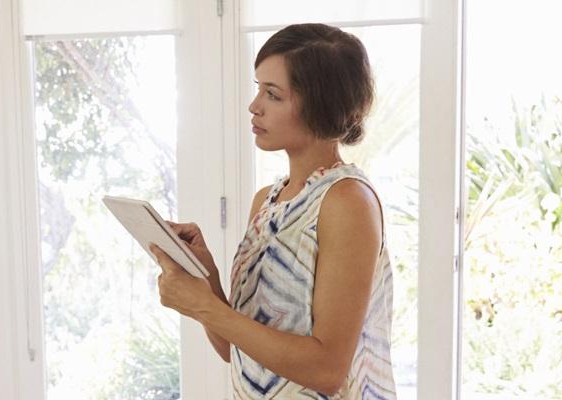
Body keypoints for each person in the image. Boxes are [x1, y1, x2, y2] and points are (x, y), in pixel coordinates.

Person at [148, 22, 394, 399]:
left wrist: (204, 306)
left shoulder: (347, 202)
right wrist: (207, 278)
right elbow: (238, 351)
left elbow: (327, 371)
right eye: (258, 88)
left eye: (273, 94)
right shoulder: (266, 201)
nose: (254, 105)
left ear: (320, 105)